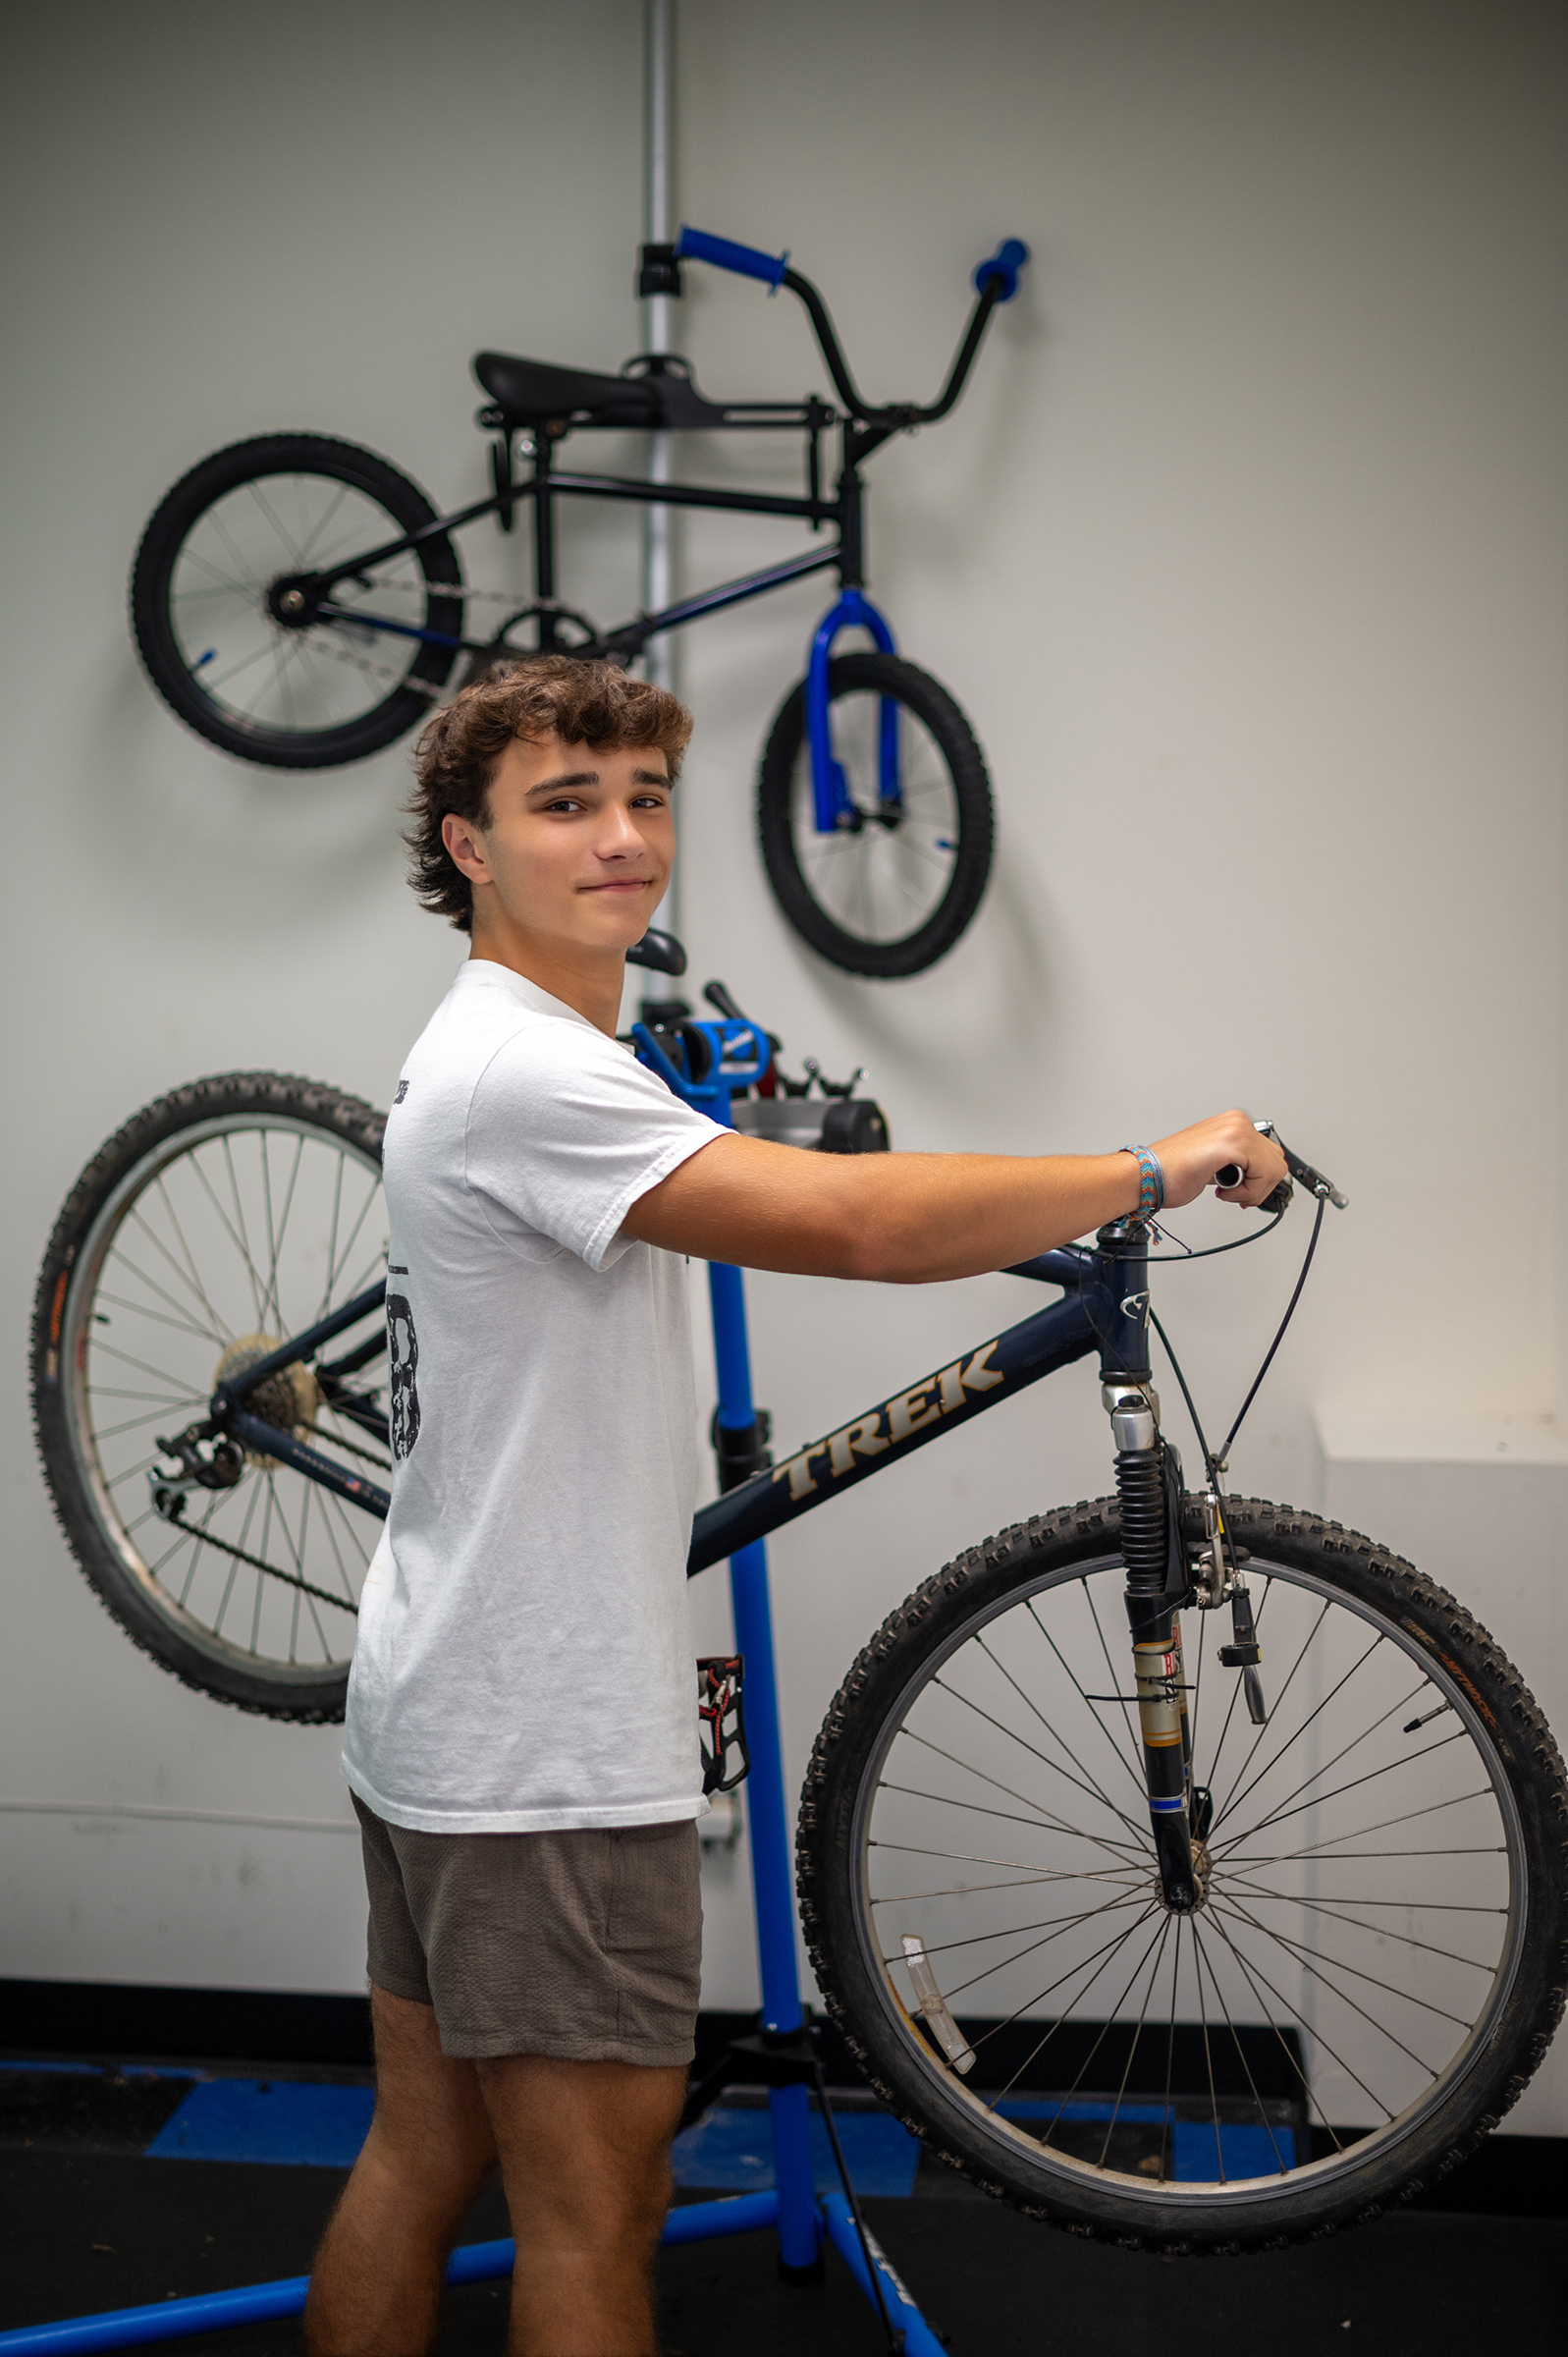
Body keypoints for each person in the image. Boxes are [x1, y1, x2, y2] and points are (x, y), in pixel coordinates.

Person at [303, 656, 1286, 2357]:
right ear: (466, 845)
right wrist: (1149, 1166)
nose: (623, 840)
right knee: (595, 2226)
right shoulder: (528, 1075)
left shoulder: (511, 1046)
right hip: (539, 1748)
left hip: (443, 1704)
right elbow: (843, 1224)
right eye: (565, 806)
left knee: (425, 2146)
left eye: (645, 799)